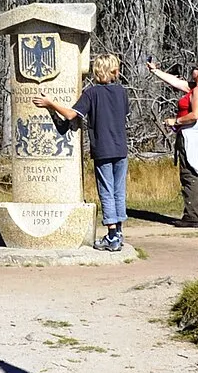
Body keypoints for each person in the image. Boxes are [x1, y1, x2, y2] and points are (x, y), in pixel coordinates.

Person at [36, 52, 130, 251]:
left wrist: (50, 104)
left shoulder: (92, 93)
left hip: (103, 149)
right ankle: (119, 232)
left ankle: (112, 236)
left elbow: (71, 114)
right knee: (118, 191)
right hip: (121, 147)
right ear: (113, 71)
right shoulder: (121, 91)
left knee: (106, 191)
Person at [147, 58, 198, 227]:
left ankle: (192, 216)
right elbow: (176, 82)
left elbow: (195, 114)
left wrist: (175, 121)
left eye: (194, 68)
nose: (192, 70)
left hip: (192, 135)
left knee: (189, 173)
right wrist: (155, 71)